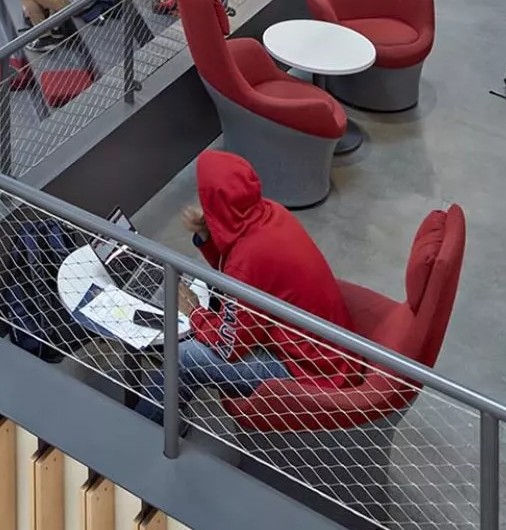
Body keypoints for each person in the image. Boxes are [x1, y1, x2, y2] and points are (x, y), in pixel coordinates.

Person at [140, 151, 357, 418]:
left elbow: (228, 347)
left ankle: (142, 429)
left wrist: (193, 310)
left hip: (309, 375)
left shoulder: (247, 261)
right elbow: (239, 267)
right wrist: (209, 233)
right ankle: (164, 417)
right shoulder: (270, 212)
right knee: (212, 315)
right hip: (331, 357)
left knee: (184, 357)